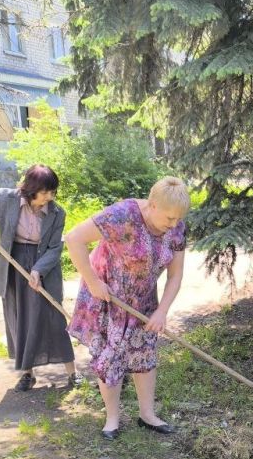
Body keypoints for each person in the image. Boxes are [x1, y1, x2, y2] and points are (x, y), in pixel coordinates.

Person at [65, 177, 190, 440]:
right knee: (110, 356)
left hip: (143, 301)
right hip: (108, 297)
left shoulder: (176, 226)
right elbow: (74, 238)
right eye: (169, 218)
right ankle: (112, 419)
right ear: (152, 205)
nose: (174, 224)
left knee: (144, 353)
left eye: (179, 218)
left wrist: (162, 311)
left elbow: (175, 276)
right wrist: (93, 281)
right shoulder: (123, 215)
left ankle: (148, 414)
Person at [0, 164, 79, 391]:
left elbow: (55, 248)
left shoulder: (57, 213)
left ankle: (72, 373)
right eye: (45, 192)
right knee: (19, 318)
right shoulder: (5, 198)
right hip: (12, 265)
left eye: (52, 192)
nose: (49, 197)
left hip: (42, 265)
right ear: (30, 188)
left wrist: (38, 270)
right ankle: (27, 373)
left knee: (53, 317)